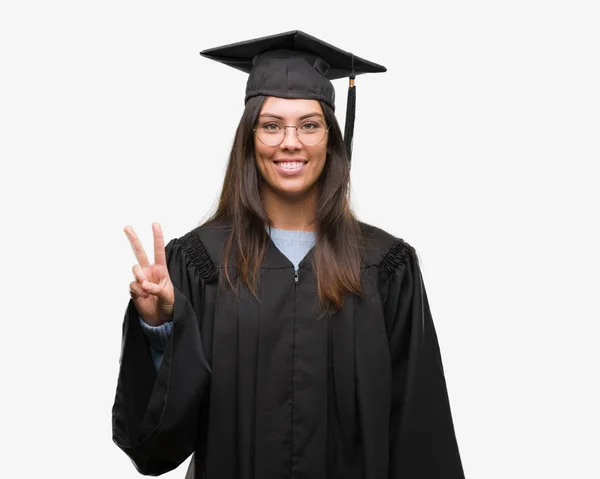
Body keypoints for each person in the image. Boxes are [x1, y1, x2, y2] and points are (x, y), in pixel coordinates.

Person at [112, 30, 465, 479]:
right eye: (272, 124)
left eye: (309, 125)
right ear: (250, 138)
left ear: (332, 140)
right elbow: (159, 446)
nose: (291, 142)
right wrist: (159, 326)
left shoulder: (385, 266)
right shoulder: (201, 263)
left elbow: (420, 428)